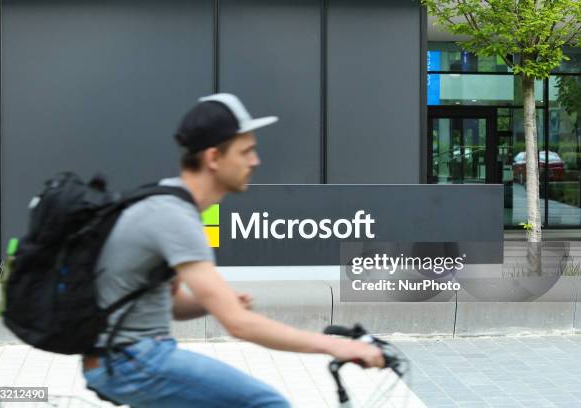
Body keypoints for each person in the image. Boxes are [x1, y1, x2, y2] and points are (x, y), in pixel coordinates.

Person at [82, 93, 384, 408]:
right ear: (214, 158)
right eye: (246, 151)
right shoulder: (174, 216)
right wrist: (336, 346)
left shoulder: (169, 203)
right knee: (266, 403)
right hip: (132, 361)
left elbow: (170, 304)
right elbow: (238, 325)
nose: (256, 161)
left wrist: (212, 303)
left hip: (121, 360)